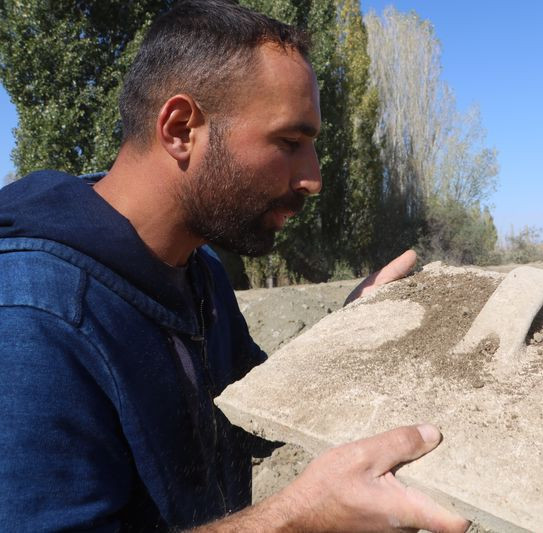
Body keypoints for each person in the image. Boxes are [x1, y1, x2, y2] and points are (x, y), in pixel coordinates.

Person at [0, 1, 469, 531]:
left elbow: (245, 422)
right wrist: (299, 518)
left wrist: (346, 336)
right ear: (180, 129)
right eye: (290, 143)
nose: (313, 179)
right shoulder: (33, 320)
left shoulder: (201, 271)